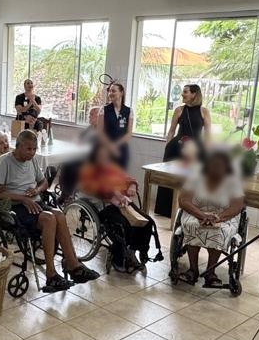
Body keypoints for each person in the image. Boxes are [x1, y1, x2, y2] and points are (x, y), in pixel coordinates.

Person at [0, 129, 100, 293]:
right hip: (15, 207)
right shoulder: (5, 161)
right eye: (29, 149)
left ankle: (73, 264)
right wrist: (22, 198)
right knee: (49, 218)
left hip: (35, 201)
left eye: (34, 149)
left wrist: (36, 190)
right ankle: (51, 274)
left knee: (59, 215)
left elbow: (44, 183)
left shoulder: (33, 161)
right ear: (18, 146)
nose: (32, 152)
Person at [77, 142, 152, 272]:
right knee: (123, 225)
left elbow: (128, 178)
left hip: (122, 204)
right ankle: (118, 257)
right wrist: (115, 193)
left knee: (147, 221)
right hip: (103, 206)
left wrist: (132, 185)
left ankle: (133, 251)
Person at [177, 149, 245, 287]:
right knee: (192, 225)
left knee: (220, 231)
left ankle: (210, 272)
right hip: (196, 212)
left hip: (223, 216)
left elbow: (237, 206)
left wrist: (218, 218)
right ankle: (193, 270)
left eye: (220, 165)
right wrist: (201, 215)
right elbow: (184, 200)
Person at [154, 83, 211, 216]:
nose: (182, 94)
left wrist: (207, 151)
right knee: (170, 178)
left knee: (194, 179)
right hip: (176, 147)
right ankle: (165, 210)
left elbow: (208, 135)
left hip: (196, 149)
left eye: (185, 92)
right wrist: (167, 146)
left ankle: (191, 210)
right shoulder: (179, 110)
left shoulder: (204, 111)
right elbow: (172, 130)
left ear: (194, 94)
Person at [102, 82, 133, 170]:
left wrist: (115, 145)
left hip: (122, 150)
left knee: (120, 176)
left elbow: (129, 133)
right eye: (109, 91)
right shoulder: (104, 110)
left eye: (113, 91)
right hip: (106, 149)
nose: (110, 93)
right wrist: (110, 146)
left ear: (121, 93)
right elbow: (100, 132)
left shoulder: (129, 111)